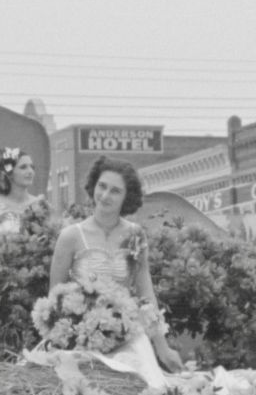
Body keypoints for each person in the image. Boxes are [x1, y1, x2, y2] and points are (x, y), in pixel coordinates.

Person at [48, 157, 184, 377]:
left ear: (126, 197)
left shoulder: (135, 235)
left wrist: (163, 347)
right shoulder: (70, 236)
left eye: (115, 191)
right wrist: (64, 338)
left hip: (126, 333)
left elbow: (146, 295)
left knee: (147, 385)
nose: (105, 195)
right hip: (81, 337)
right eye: (102, 186)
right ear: (94, 186)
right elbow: (54, 298)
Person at [0, 147, 40, 239]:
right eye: (23, 167)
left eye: (32, 167)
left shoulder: (39, 204)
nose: (30, 171)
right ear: (10, 173)